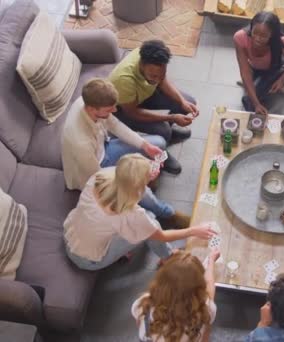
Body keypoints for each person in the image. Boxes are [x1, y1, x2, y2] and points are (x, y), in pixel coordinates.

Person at [61, 79, 189, 229]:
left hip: (104, 148)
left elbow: (114, 125)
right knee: (139, 188)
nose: (114, 111)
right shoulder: (80, 142)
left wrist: (145, 145)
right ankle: (168, 215)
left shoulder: (87, 101)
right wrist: (141, 174)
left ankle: (147, 180)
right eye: (109, 109)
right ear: (91, 109)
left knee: (157, 143)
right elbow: (98, 177)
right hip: (95, 173)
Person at [64, 154, 217, 271]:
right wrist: (194, 231)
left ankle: (165, 213)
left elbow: (128, 184)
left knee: (142, 218)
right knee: (152, 222)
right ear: (137, 184)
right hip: (87, 260)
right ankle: (168, 257)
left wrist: (145, 176)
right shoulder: (131, 214)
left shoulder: (100, 176)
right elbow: (161, 236)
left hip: (69, 236)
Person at [109, 40, 200, 174]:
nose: (158, 79)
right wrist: (172, 117)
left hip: (142, 95)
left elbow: (162, 81)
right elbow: (133, 112)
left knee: (187, 102)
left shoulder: (151, 61)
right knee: (163, 130)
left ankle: (168, 131)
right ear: (141, 64)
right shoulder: (124, 79)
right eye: (153, 76)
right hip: (124, 110)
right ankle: (161, 155)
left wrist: (182, 102)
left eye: (161, 74)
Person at [132, 250, 220, 342]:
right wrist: (211, 262)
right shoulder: (206, 309)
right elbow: (210, 289)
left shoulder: (143, 303)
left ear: (161, 278)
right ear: (200, 284)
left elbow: (139, 324)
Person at [234, 11, 284, 115]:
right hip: (255, 68)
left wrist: (283, 78)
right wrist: (256, 104)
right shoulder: (240, 38)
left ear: (272, 35)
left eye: (263, 36)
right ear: (251, 28)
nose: (257, 39)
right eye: (255, 33)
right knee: (252, 99)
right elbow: (244, 71)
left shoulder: (283, 43)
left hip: (275, 68)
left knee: (250, 98)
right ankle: (259, 100)